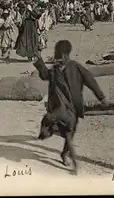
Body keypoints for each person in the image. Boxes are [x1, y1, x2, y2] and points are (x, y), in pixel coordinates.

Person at [33, 40, 108, 175]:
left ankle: (65, 154)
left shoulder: (76, 68)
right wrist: (39, 61)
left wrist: (101, 97)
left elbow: (90, 80)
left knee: (69, 135)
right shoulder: (55, 70)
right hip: (59, 107)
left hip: (73, 107)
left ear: (67, 55)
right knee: (56, 122)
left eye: (62, 56)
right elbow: (45, 75)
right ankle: (46, 130)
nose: (59, 59)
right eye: (58, 56)